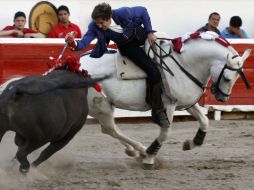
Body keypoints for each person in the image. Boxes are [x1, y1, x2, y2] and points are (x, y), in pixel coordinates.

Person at [65, 2, 169, 127]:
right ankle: (158, 111)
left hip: (141, 35)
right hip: (129, 47)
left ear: (109, 18)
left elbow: (143, 11)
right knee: (153, 72)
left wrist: (149, 32)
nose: (99, 26)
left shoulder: (123, 13)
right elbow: (85, 42)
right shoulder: (94, 26)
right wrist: (73, 43)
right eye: (97, 23)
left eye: (102, 23)